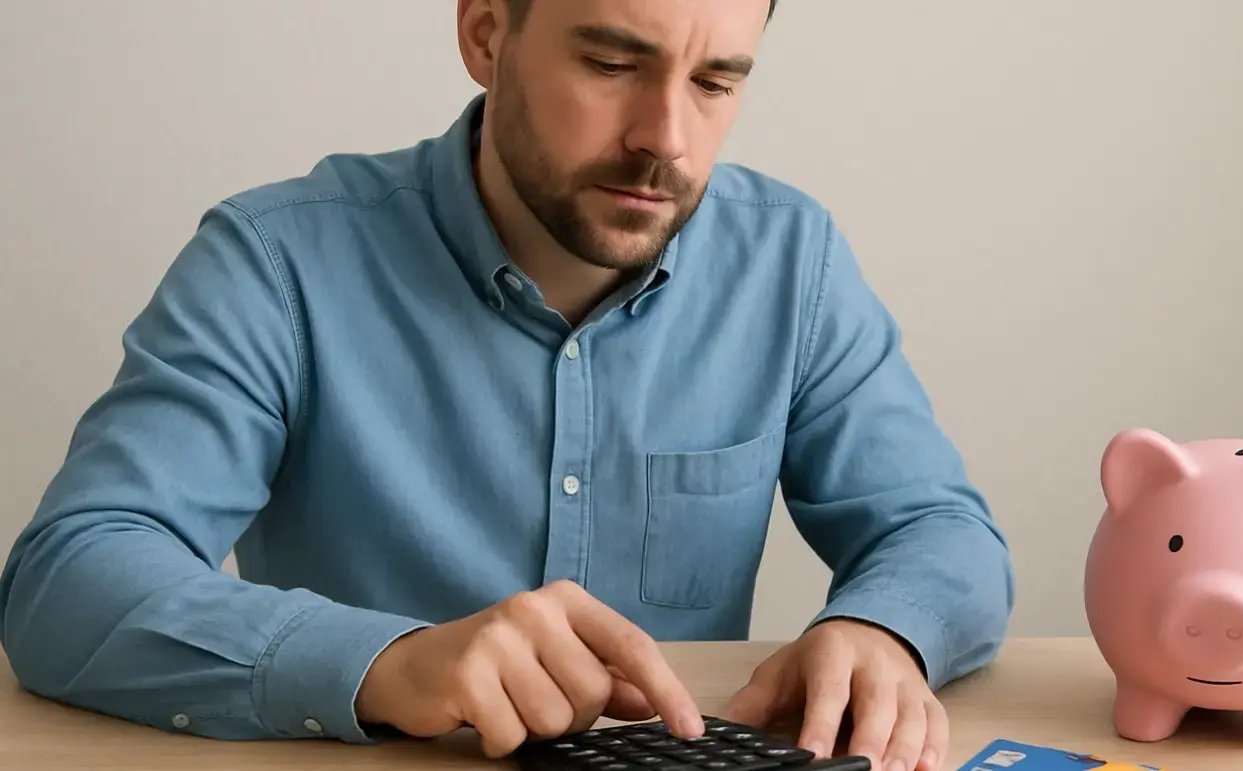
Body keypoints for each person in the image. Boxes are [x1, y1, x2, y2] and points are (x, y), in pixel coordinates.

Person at [0, 2, 1014, 770]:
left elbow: (940, 531)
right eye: (613, 62)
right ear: (487, 35)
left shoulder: (792, 262)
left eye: (714, 83)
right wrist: (390, 665)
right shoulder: (276, 263)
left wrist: (880, 629)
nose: (666, 135)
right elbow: (68, 581)